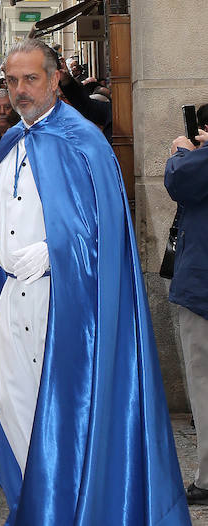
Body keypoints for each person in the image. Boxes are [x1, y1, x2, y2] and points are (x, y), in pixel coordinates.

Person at [0, 40, 190, 526]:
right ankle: (41, 506)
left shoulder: (82, 140)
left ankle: (72, 510)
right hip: (15, 299)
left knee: (62, 413)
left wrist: (53, 254)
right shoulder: (13, 144)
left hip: (64, 302)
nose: (20, 90)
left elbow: (104, 232)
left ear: (54, 80)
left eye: (31, 79)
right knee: (12, 403)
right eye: (12, 81)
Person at [165, 103, 208, 506]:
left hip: (202, 288)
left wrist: (182, 152)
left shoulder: (198, 160)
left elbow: (179, 181)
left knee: (204, 383)